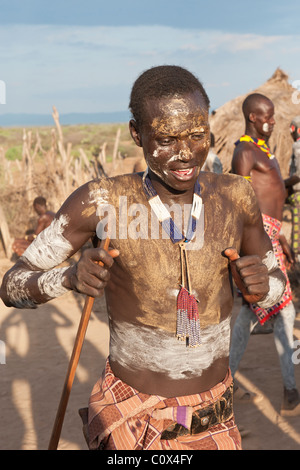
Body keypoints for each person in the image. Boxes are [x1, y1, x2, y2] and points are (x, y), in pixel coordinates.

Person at [0, 66, 286, 450]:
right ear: (138, 133)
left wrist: (261, 286)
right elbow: (12, 283)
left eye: (197, 136)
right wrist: (66, 279)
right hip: (132, 421)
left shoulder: (235, 196)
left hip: (214, 417)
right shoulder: (102, 201)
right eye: (165, 139)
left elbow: (275, 288)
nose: (185, 153)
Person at [229, 93, 300, 416]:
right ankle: (290, 394)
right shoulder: (244, 152)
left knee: (247, 316)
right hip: (259, 239)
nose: (273, 121)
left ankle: (225, 383)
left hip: (271, 235)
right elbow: (240, 204)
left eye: (272, 116)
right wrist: (253, 249)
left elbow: (270, 190)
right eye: (267, 116)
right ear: (253, 118)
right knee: (284, 312)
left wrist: (292, 182)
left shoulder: (263, 151)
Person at [287, 116, 300, 257]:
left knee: (297, 229)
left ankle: (296, 258)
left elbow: (298, 174)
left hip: (298, 192)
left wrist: (283, 184)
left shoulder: (297, 146)